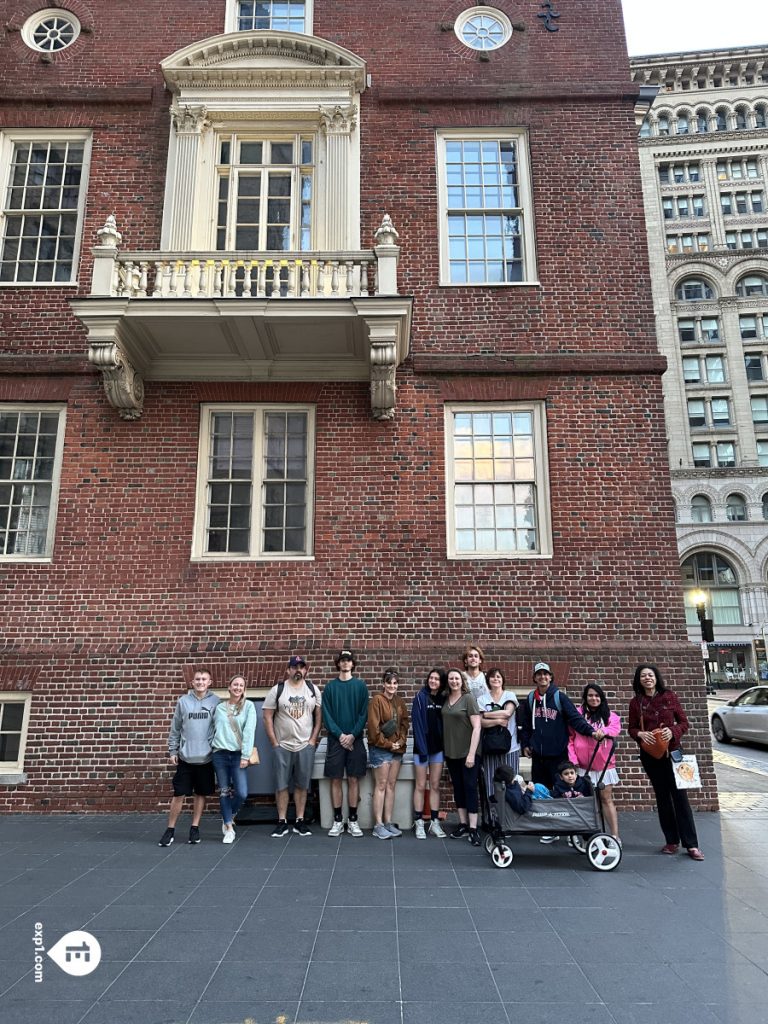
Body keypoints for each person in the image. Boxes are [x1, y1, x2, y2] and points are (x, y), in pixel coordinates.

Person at [518, 660, 603, 844]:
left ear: (550, 677)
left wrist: (591, 731)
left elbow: (575, 718)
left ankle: (569, 829)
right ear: (534, 678)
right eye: (539, 674)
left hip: (557, 755)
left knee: (561, 793)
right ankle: (549, 828)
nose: (542, 677)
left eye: (545, 674)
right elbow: (525, 726)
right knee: (540, 793)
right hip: (538, 756)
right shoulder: (531, 699)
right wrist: (526, 743)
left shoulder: (559, 697)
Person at [628, 663, 704, 861]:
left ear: (656, 678)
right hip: (651, 756)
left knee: (681, 799)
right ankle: (671, 841)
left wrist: (673, 731)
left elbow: (684, 722)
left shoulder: (669, 696)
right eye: (643, 676)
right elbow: (632, 728)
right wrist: (641, 734)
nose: (647, 678)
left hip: (674, 753)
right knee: (662, 798)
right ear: (639, 680)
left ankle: (692, 844)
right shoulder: (636, 702)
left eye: (650, 675)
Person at [158, 668, 220, 847]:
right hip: (186, 757)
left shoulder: (216, 701)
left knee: (200, 794)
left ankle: (195, 827)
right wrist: (173, 750)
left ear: (210, 682)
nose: (200, 682)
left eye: (204, 679)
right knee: (179, 794)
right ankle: (170, 829)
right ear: (192, 683)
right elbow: (175, 728)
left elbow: (219, 728)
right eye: (197, 679)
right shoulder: (183, 702)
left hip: (206, 758)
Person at [262, 654, 322, 837]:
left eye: (302, 667)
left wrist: (313, 740)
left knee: (302, 785)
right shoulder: (278, 690)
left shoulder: (313, 689)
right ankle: (282, 821)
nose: (298, 670)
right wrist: (274, 742)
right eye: (295, 667)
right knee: (281, 785)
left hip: (305, 745)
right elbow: (267, 716)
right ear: (288, 670)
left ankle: (299, 821)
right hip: (283, 746)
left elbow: (319, 716)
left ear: (306, 670)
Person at [322, 647, 369, 837]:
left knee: (353, 779)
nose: (345, 663)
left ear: (353, 664)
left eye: (348, 660)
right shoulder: (330, 688)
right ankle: (337, 820)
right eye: (342, 660)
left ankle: (353, 820)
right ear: (338, 664)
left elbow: (363, 714)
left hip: (355, 740)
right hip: (335, 740)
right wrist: (340, 735)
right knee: (335, 779)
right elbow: (327, 715)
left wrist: (352, 735)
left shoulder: (360, 686)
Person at [568, 682, 622, 843]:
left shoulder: (609, 715)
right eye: (590, 695)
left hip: (604, 766)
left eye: (597, 695)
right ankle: (580, 834)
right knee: (582, 800)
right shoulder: (577, 715)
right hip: (582, 766)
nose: (594, 698)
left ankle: (614, 836)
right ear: (585, 697)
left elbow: (615, 729)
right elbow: (570, 738)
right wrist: (573, 759)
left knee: (606, 799)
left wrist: (603, 731)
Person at [211, 674, 257, 844]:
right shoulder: (220, 707)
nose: (238, 687)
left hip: (239, 755)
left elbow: (249, 731)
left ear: (244, 689)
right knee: (224, 790)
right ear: (229, 687)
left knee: (242, 793)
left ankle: (228, 815)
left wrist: (245, 755)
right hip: (220, 754)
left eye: (241, 685)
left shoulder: (249, 706)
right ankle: (229, 828)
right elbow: (212, 729)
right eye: (235, 684)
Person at [367, 668, 410, 839]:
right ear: (383, 683)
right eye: (389, 682)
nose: (392, 686)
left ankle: (388, 822)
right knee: (381, 785)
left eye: (395, 683)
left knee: (391, 785)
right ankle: (378, 825)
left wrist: (400, 741)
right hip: (380, 749)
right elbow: (373, 728)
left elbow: (404, 723)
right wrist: (387, 744)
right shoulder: (377, 700)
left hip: (396, 750)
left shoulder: (400, 702)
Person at [442, 667, 483, 846]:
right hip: (451, 752)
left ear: (462, 681)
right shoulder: (446, 700)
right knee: (458, 787)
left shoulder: (469, 699)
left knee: (470, 787)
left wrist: (472, 754)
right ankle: (463, 824)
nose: (454, 681)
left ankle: (473, 828)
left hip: (469, 753)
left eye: (457, 679)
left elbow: (477, 727)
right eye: (451, 679)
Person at [411, 668, 447, 839]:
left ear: (441, 682)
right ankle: (419, 822)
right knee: (420, 785)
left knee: (434, 785)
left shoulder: (443, 698)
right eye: (431, 678)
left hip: (437, 749)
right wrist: (422, 749)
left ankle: (434, 822)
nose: (433, 681)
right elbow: (417, 725)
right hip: (421, 749)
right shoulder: (420, 697)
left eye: (437, 679)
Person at [478, 667, 520, 798]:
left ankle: (511, 814)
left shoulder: (509, 695)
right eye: (492, 676)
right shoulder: (481, 699)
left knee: (511, 781)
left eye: (498, 676)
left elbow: (508, 713)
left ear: (503, 680)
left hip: (510, 746)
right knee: (491, 781)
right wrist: (498, 721)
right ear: (488, 680)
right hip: (489, 747)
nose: (495, 679)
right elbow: (480, 722)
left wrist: (486, 714)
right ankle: (493, 815)